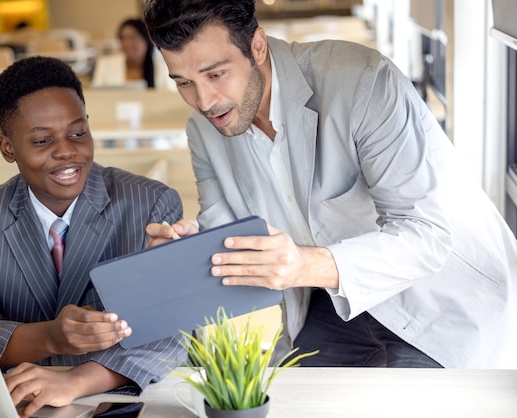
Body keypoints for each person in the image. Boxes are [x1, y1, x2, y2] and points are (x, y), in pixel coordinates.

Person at [143, 0, 517, 368]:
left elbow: (425, 237)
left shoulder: (361, 81)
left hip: (435, 298)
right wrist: (188, 249)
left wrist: (303, 265)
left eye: (215, 75)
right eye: (184, 83)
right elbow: (228, 237)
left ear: (257, 47)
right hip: (330, 304)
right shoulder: (204, 134)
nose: (205, 101)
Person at [0, 56, 186, 417]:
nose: (67, 151)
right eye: (41, 140)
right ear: (8, 148)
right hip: (20, 404)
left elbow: (174, 330)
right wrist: (51, 337)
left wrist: (77, 380)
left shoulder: (149, 204)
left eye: (78, 133)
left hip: (122, 403)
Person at [91, 18, 173, 90]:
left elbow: (167, 98)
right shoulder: (105, 64)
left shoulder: (162, 67)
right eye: (123, 38)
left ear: (146, 40)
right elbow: (97, 95)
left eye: (133, 37)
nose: (127, 43)